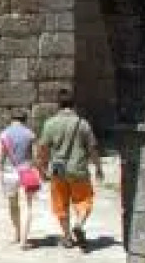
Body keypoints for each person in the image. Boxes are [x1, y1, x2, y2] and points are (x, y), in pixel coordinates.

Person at [37, 90, 104, 249]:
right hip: (79, 169)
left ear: (58, 104)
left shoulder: (50, 124)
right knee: (84, 200)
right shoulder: (83, 124)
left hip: (58, 170)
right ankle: (79, 224)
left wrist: (42, 168)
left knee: (60, 204)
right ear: (74, 104)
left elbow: (43, 149)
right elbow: (92, 148)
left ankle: (67, 237)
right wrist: (98, 167)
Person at [0, 112, 40, 248]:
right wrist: (40, 172)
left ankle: (17, 234)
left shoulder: (4, 134)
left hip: (9, 174)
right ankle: (23, 241)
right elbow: (36, 157)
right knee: (27, 206)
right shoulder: (30, 134)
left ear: (11, 120)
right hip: (26, 172)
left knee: (13, 205)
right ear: (25, 120)